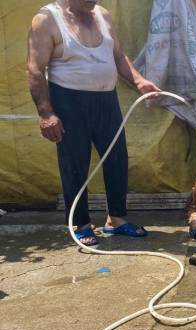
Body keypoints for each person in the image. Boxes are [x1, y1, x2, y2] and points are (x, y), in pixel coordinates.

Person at [27, 0, 160, 246]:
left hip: (107, 100)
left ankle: (116, 220)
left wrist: (140, 81)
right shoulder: (46, 19)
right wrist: (46, 113)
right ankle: (81, 224)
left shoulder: (101, 14)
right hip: (69, 101)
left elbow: (118, 56)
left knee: (117, 158)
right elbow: (35, 69)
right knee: (75, 163)